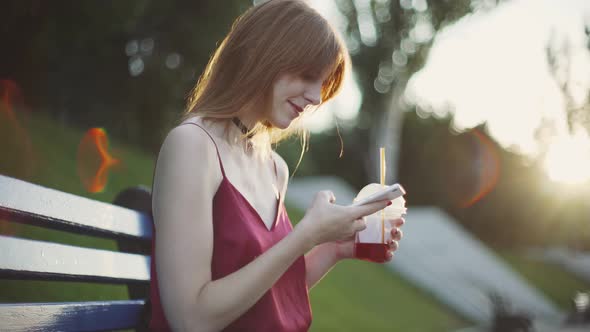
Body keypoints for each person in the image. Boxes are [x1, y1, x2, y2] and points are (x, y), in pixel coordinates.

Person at [149, 0, 405, 331]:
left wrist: (333, 248)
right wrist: (304, 237)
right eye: (308, 76)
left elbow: (272, 295)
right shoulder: (193, 146)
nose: (316, 96)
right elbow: (191, 318)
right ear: (263, 56)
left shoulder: (274, 168)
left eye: (323, 83)